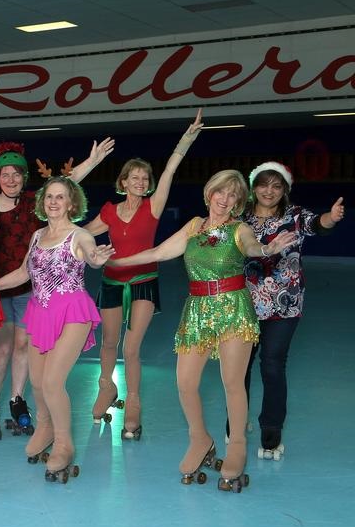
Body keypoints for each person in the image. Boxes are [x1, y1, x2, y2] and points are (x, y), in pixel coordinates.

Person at [106, 170, 295, 493]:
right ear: (209, 194)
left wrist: (267, 249)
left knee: (233, 383)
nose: (224, 199)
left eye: (232, 195)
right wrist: (114, 261)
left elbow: (251, 248)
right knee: (185, 383)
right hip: (197, 310)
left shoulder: (240, 229)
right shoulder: (194, 226)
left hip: (233, 308)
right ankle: (200, 440)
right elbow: (157, 253)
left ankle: (236, 445)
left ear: (238, 202)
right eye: (220, 192)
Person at [0, 137, 115, 439]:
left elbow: (63, 187)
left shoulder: (45, 211)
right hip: (13, 295)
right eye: (5, 174)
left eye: (17, 173)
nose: (11, 179)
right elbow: (17, 268)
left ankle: (30, 412)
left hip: (47, 294)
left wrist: (92, 162)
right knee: (9, 355)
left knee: (35, 362)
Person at [83, 110, 202, 439]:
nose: (140, 182)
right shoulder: (109, 211)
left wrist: (185, 141)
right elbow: (83, 235)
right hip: (111, 282)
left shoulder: (153, 206)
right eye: (134, 177)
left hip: (143, 283)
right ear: (123, 182)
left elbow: (170, 170)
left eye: (144, 178)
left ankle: (133, 403)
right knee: (108, 343)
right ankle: (106, 389)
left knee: (131, 349)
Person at [0, 176, 114, 483]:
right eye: (49, 196)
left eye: (61, 197)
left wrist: (96, 259)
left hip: (72, 312)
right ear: (42, 202)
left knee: (52, 381)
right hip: (40, 311)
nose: (54, 202)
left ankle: (64, 442)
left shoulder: (79, 235)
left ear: (72, 203)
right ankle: (45, 427)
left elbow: (91, 253)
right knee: (36, 381)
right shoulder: (37, 235)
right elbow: (23, 272)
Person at [241, 161, 344, 459]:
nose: (269, 191)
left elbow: (317, 224)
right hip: (244, 304)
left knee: (272, 365)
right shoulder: (241, 218)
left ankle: (270, 432)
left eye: (276, 186)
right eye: (263, 184)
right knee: (239, 368)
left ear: (284, 189)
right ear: (253, 187)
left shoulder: (294, 216)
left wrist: (331, 218)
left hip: (284, 305)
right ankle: (236, 421)